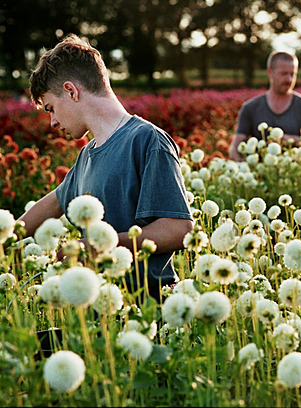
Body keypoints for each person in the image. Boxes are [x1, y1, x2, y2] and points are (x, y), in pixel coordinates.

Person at [19, 34, 193, 300]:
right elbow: (53, 203)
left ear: (71, 91)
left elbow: (178, 229)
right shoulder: (87, 156)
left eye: (51, 108)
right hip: (100, 309)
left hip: (148, 307)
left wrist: (101, 245)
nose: (52, 122)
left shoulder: (146, 140)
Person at [228, 51, 301, 161]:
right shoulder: (250, 108)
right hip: (261, 174)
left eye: (292, 74)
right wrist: (245, 168)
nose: (289, 79)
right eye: (283, 74)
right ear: (270, 73)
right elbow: (234, 149)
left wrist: (291, 140)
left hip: (296, 173)